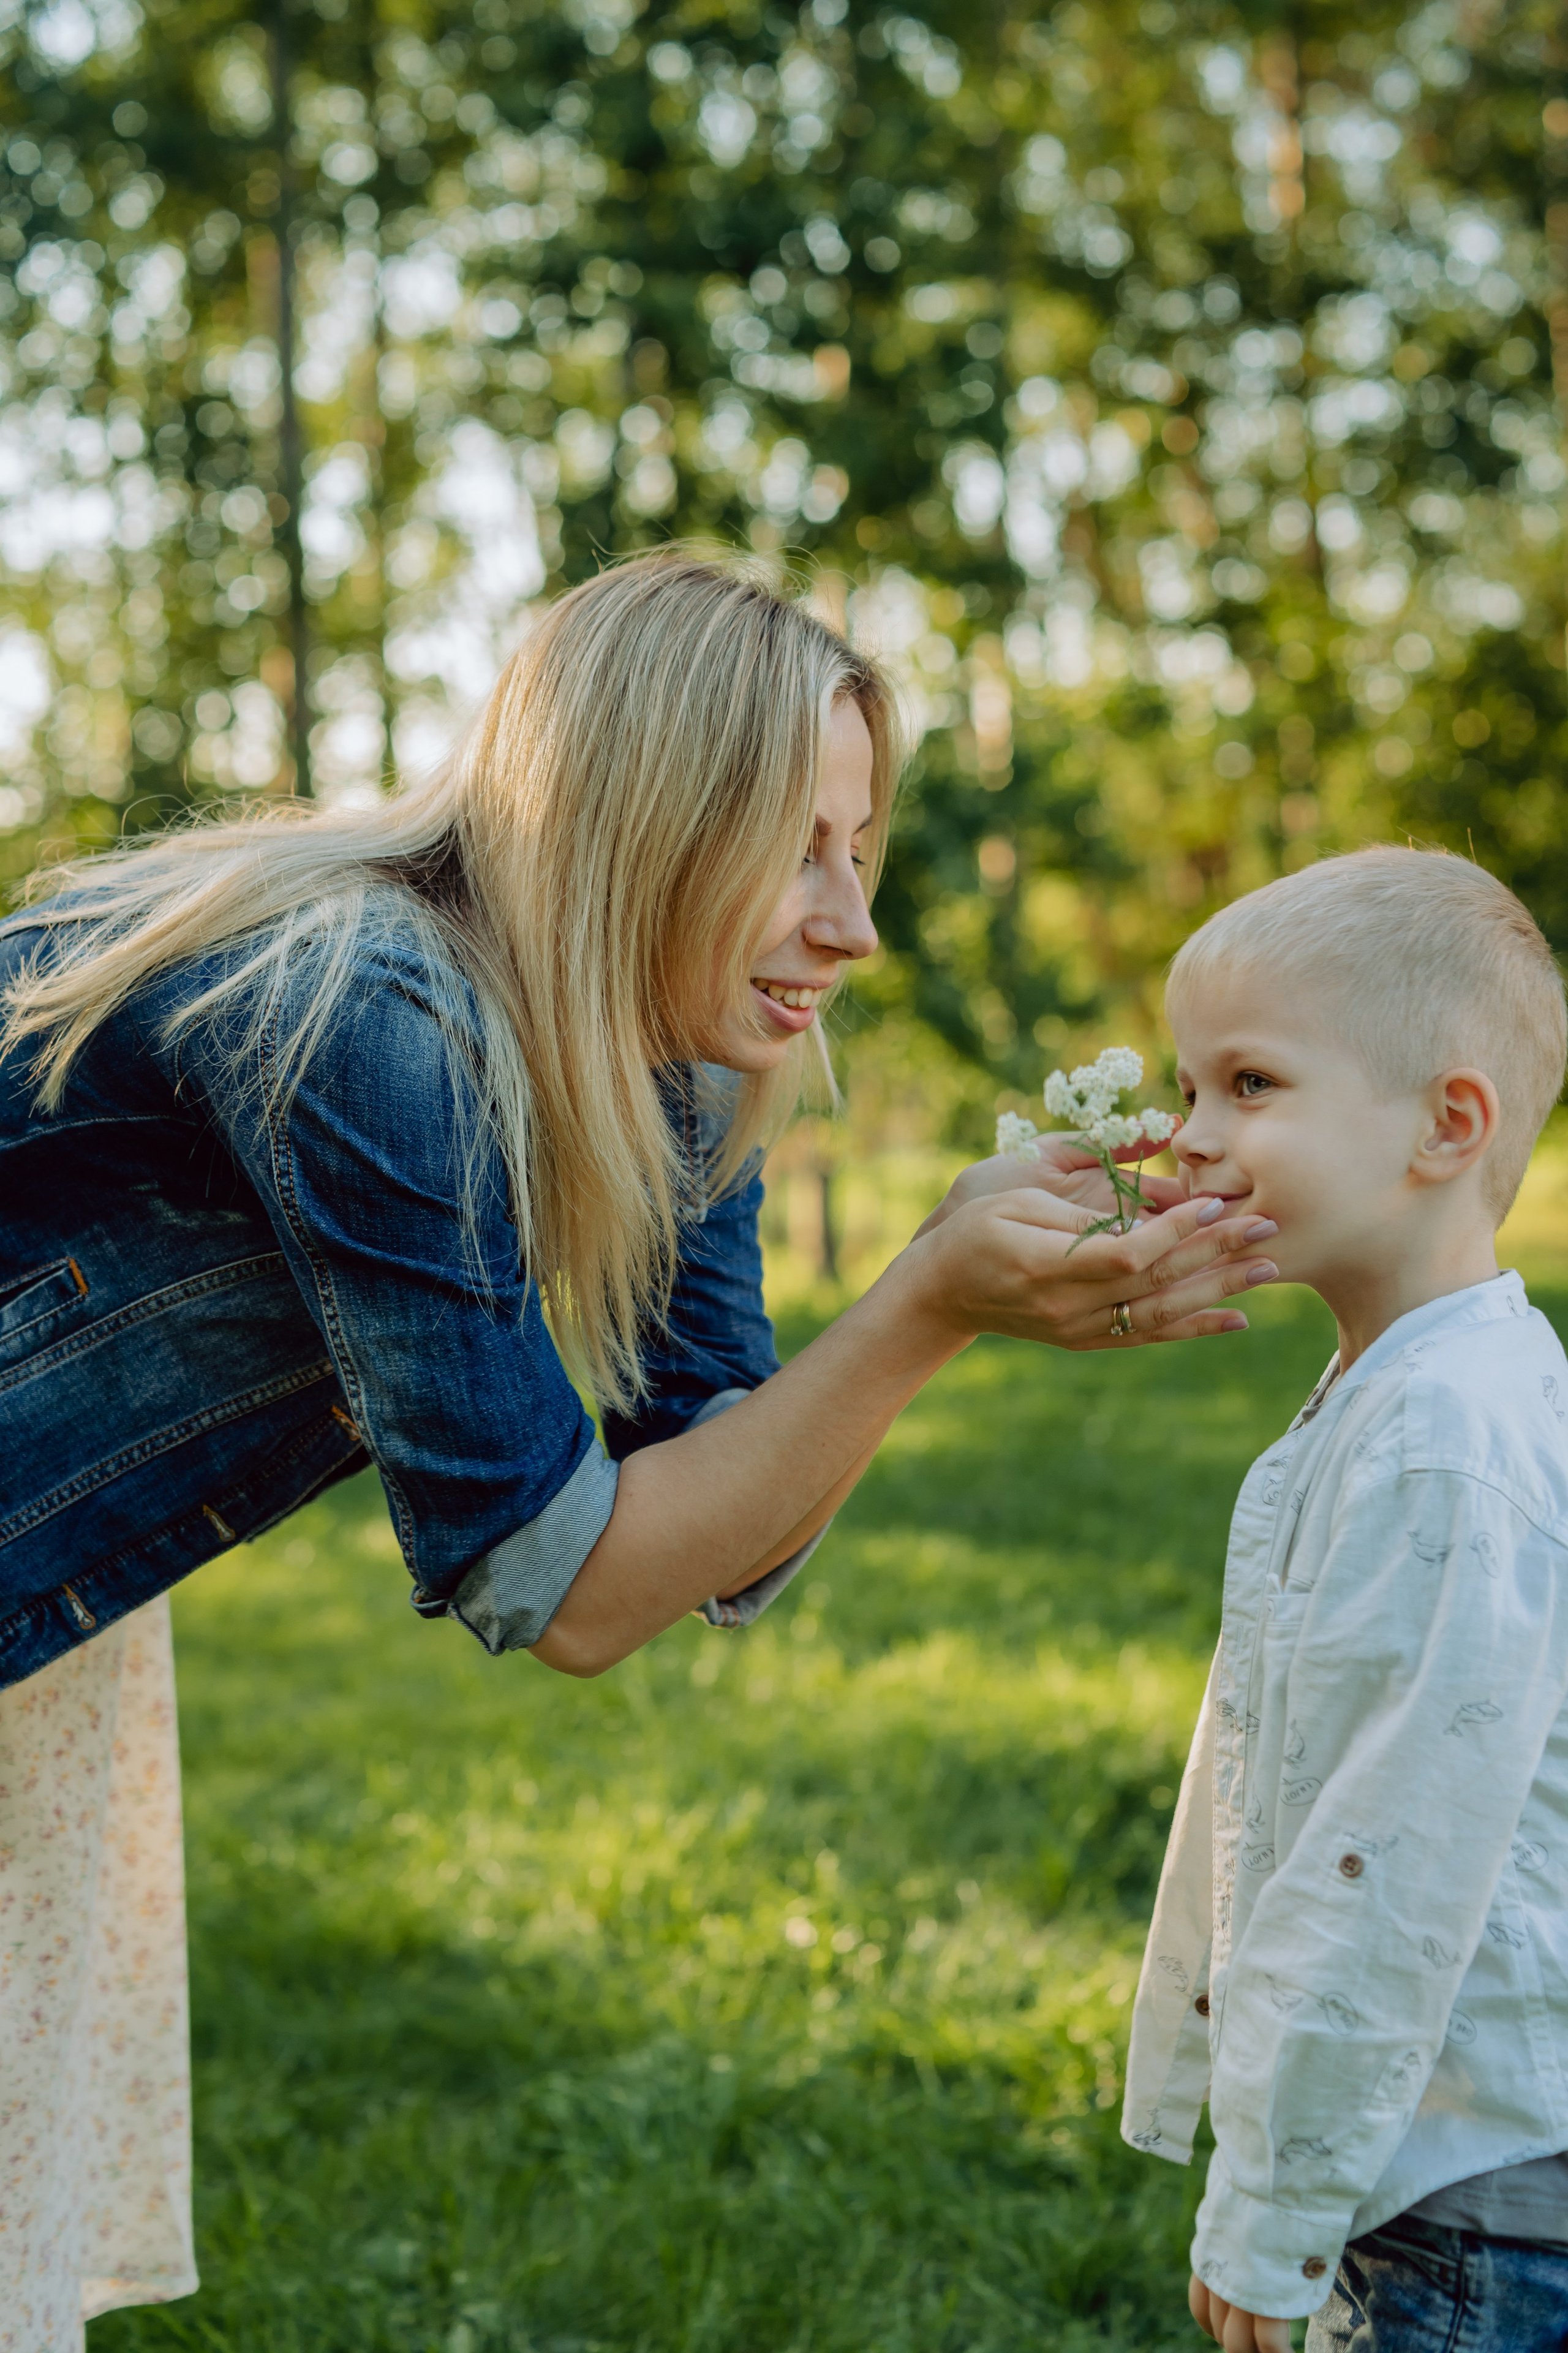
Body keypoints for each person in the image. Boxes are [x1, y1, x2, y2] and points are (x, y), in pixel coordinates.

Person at [0, 551, 1277, 2346]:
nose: (855, 924)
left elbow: (722, 1531)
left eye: (863, 849)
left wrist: (927, 1319)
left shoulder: (676, 1064)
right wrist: (921, 1311)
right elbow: (567, 1587)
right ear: (645, 824)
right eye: (799, 849)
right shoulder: (372, 1011)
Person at [1120, 847, 1568, 2353]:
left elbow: (1389, 1853)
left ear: (1446, 1126)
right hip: (1444, 2173)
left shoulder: (1445, 1440)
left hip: (1462, 2199)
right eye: (1189, 1088)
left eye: (1247, 1084)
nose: (1186, 1136)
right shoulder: (1406, 1393)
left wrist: (1270, 2201)